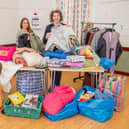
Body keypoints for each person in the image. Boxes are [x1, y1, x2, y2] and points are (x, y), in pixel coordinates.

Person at [42, 10, 67, 86]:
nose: (56, 17)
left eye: (57, 16)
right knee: (52, 69)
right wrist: (46, 37)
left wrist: (68, 30)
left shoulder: (64, 26)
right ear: (52, 17)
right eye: (54, 16)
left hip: (61, 52)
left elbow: (67, 40)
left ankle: (57, 86)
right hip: (51, 52)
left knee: (59, 69)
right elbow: (44, 41)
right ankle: (53, 85)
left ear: (60, 17)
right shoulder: (49, 27)